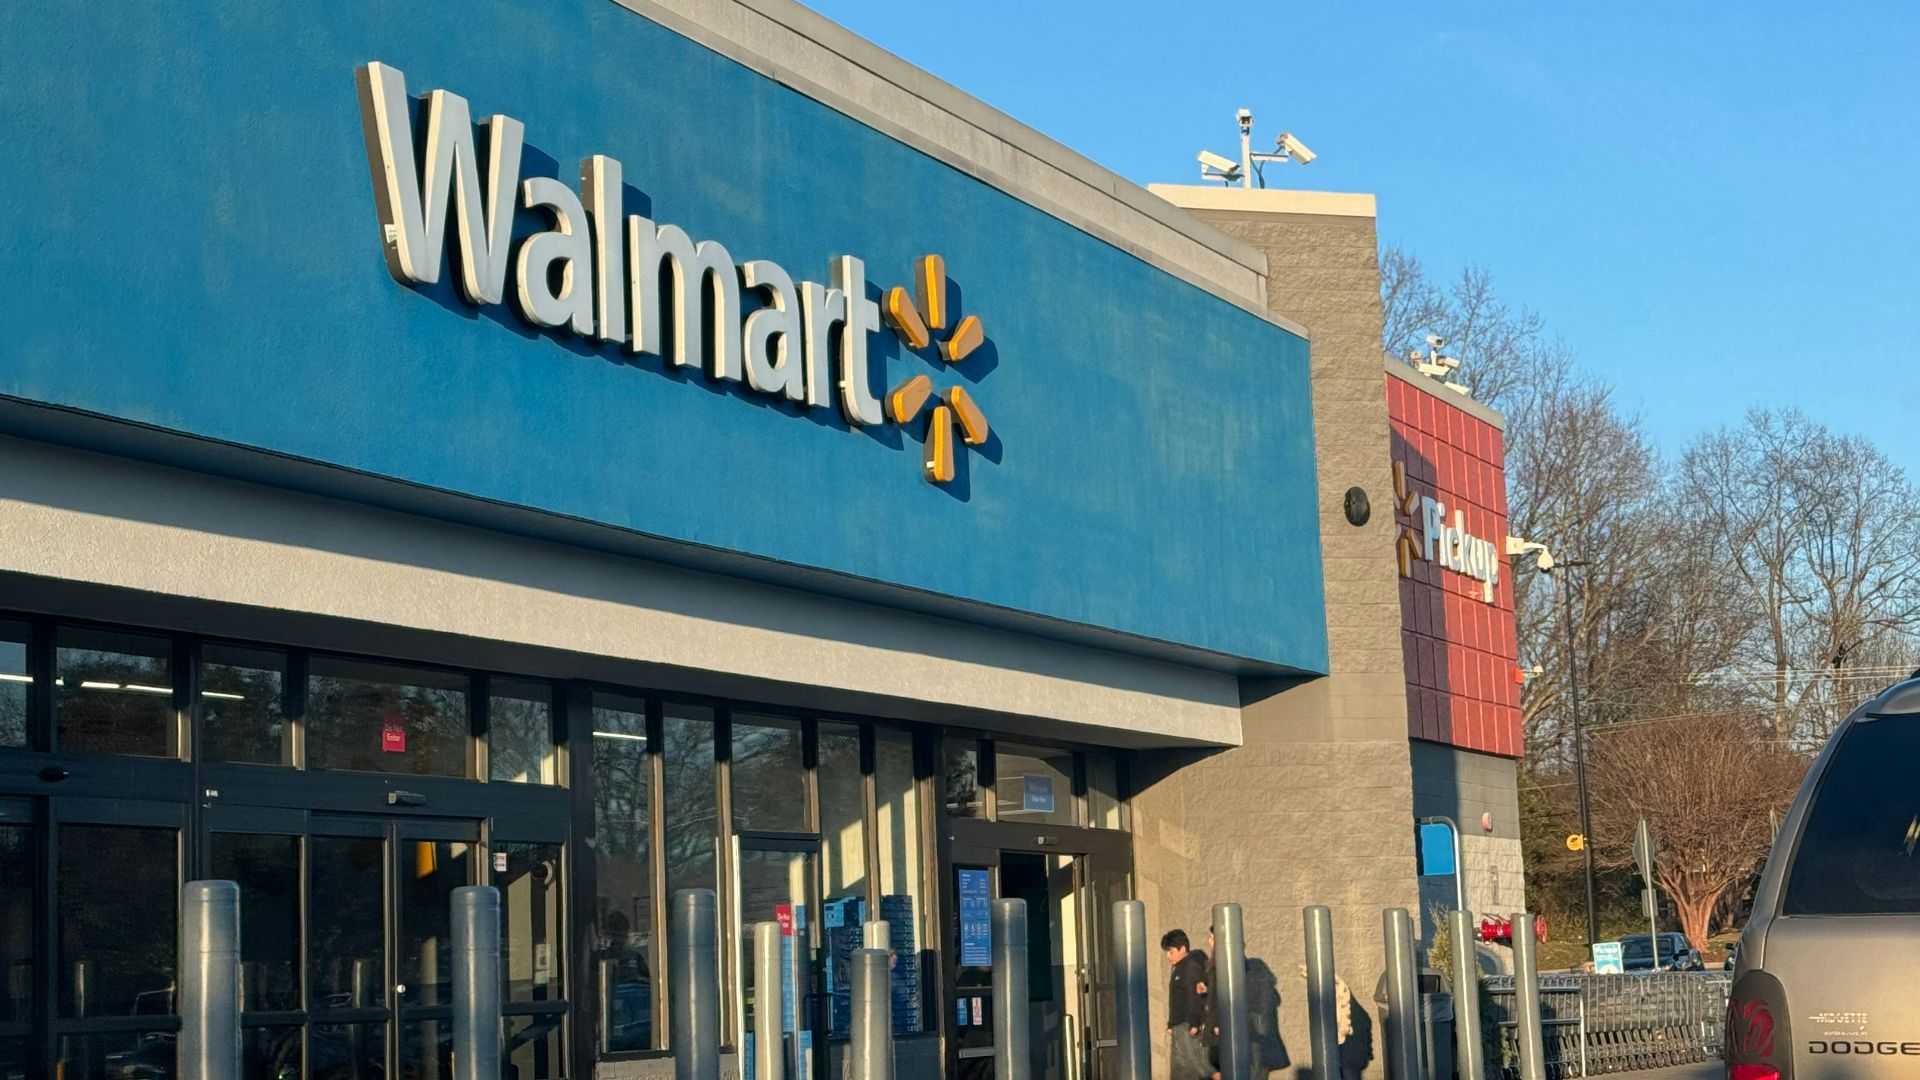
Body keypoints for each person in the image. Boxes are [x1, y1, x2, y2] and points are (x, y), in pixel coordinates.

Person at [1162, 928, 1210, 1080]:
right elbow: (1176, 1000)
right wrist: (1171, 1024)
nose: (1168, 956)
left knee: (1196, 1068)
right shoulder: (1177, 968)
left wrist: (1194, 1022)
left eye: (1171, 951)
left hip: (1187, 1026)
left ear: (1182, 949)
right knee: (1179, 1069)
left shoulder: (1190, 966)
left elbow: (1194, 996)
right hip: (1178, 1027)